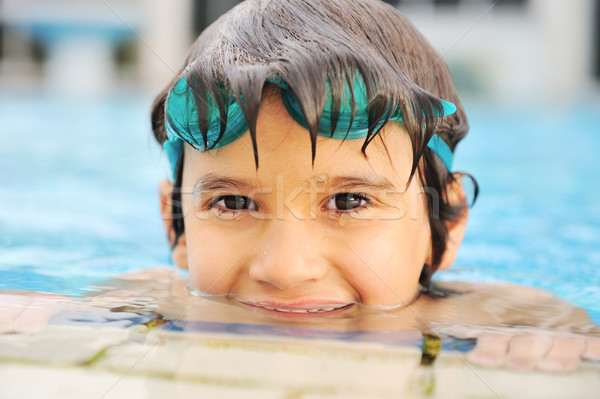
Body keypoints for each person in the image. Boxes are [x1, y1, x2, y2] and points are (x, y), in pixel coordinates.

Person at [146, 0, 599, 371]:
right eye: (232, 202)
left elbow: (570, 334)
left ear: (449, 220)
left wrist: (553, 334)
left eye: (348, 200)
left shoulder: (502, 312)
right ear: (176, 224)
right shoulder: (146, 296)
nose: (285, 270)